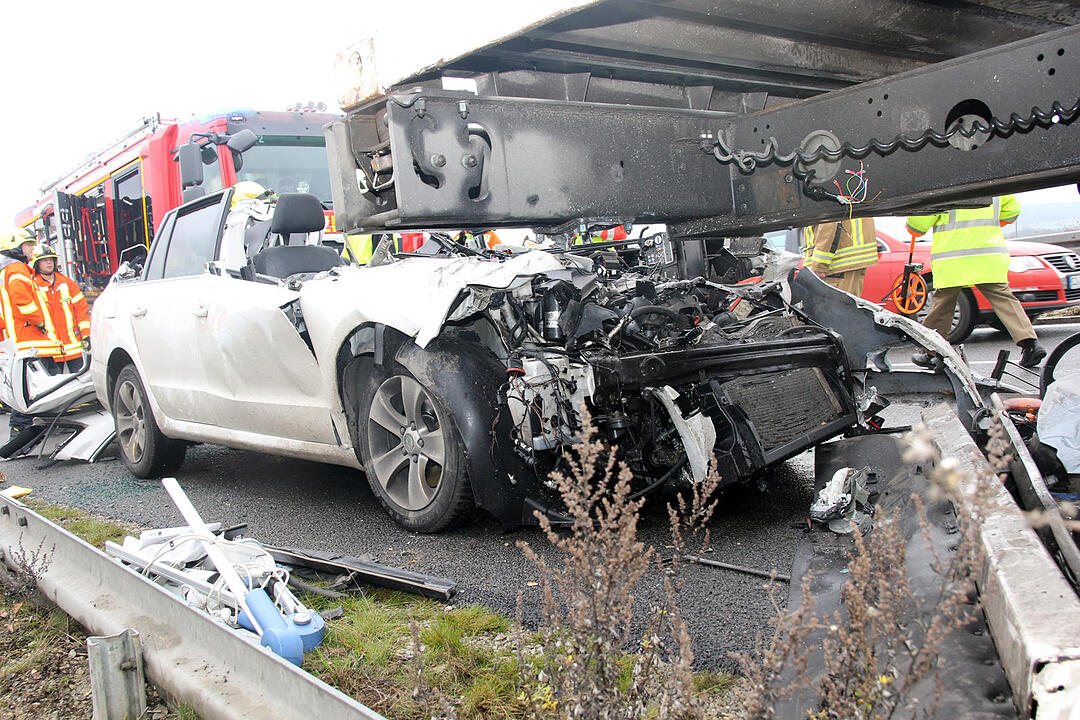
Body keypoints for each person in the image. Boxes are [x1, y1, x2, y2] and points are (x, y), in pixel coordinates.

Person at [906, 195, 1046, 369]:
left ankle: (931, 352)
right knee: (1004, 300)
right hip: (989, 254)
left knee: (943, 305)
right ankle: (1030, 344)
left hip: (953, 257)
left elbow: (917, 227)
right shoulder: (993, 180)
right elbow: (1011, 213)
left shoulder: (941, 185)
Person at [0, 229, 51, 438]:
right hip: (28, 338)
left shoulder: (8, 270)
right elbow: (23, 301)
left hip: (19, 338)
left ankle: (25, 431)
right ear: (16, 249)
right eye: (28, 245)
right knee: (31, 389)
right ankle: (21, 433)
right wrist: (40, 321)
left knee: (27, 387)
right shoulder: (17, 269)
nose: (32, 249)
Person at [31, 245, 91, 374]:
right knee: (57, 391)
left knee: (84, 386)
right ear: (37, 264)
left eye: (51, 259)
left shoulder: (67, 283)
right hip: (49, 350)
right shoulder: (33, 286)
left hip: (74, 347)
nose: (49, 262)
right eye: (44, 260)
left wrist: (86, 334)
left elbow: (81, 310)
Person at [801, 217, 879, 295]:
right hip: (851, 260)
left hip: (836, 266)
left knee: (833, 306)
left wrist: (819, 266)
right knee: (847, 305)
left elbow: (828, 223)